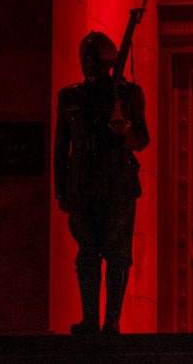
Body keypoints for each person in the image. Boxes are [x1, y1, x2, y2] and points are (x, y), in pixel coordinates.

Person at [53, 30, 149, 335]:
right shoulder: (69, 97)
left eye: (95, 58)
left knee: (118, 254)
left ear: (107, 62)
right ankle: (90, 320)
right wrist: (61, 189)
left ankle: (111, 322)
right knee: (87, 255)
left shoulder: (128, 93)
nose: (89, 63)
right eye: (85, 58)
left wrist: (124, 135)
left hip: (117, 182)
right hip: (81, 184)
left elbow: (142, 139)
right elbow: (60, 147)